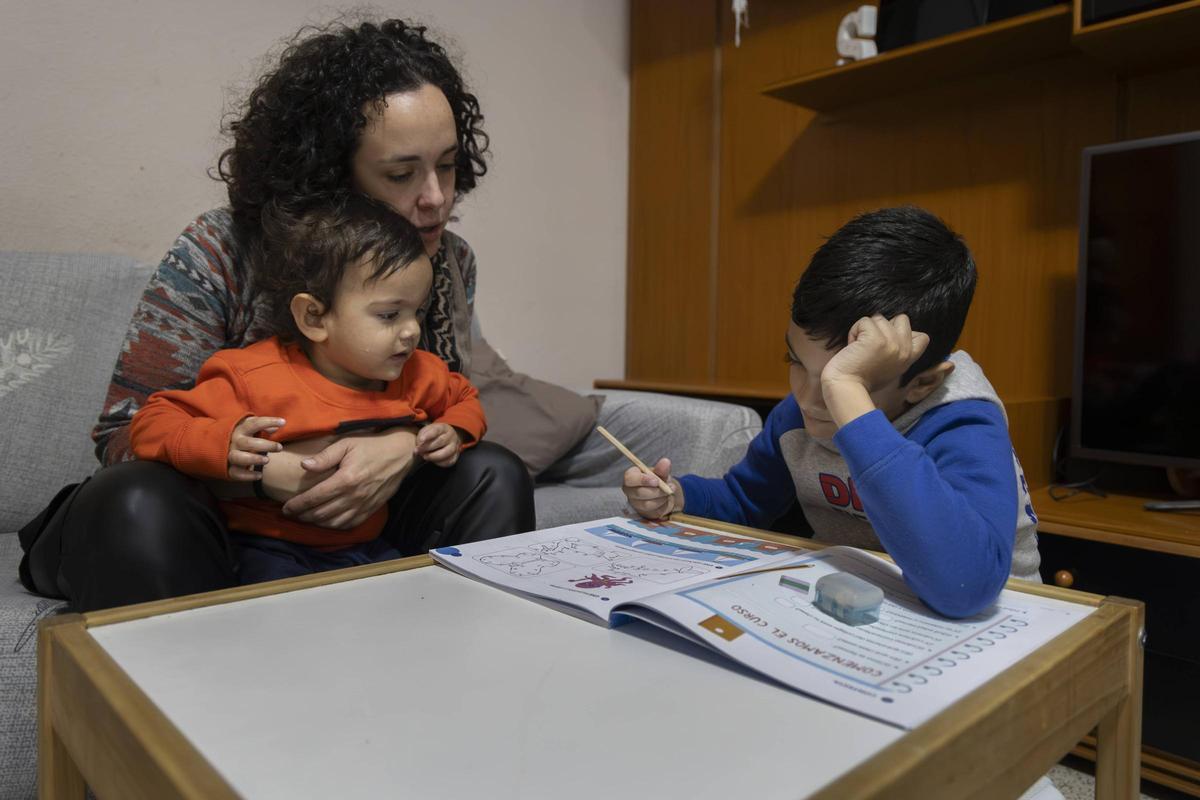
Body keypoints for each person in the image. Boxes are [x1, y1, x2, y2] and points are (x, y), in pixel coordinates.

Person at [19, 18, 538, 611]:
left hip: (355, 530)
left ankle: (456, 671)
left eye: (446, 165)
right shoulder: (220, 250)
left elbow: (437, 397)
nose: (436, 198)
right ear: (330, 174)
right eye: (400, 174)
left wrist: (405, 443)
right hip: (214, 524)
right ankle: (178, 690)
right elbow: (124, 439)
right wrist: (266, 471)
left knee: (494, 473)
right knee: (135, 496)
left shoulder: (445, 259)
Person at [621, 206, 1041, 619]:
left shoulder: (962, 422)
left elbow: (965, 588)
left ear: (923, 383)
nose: (808, 398)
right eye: (797, 364)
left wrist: (849, 399)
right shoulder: (798, 417)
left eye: (847, 380)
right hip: (867, 606)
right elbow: (744, 499)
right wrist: (675, 496)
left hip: (1004, 624)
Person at [129, 197, 494, 584]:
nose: (411, 331)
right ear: (315, 317)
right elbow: (151, 421)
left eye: (416, 312)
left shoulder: (418, 373)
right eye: (389, 315)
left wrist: (453, 431)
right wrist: (221, 444)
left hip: (366, 548)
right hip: (266, 549)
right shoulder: (252, 376)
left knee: (406, 602)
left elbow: (465, 398)